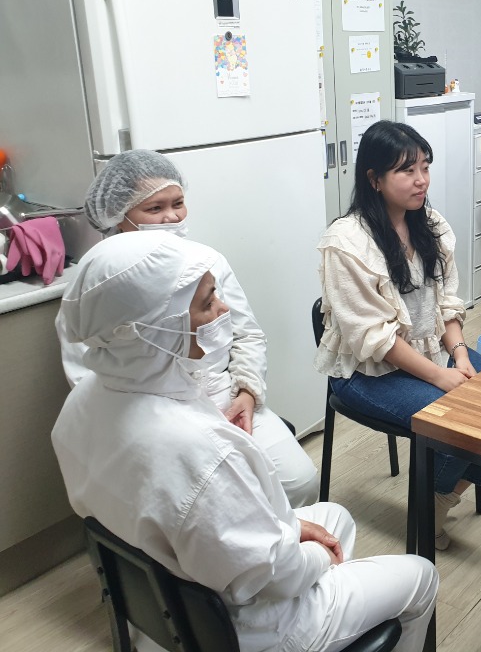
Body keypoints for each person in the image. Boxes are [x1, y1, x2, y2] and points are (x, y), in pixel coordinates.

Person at [52, 231, 438, 652]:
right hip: (249, 629)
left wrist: (293, 530)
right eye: (206, 303)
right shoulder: (199, 449)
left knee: (336, 517)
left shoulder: (79, 407)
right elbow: (275, 576)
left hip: (169, 599)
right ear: (152, 328)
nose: (222, 310)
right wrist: (317, 555)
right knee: (420, 576)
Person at [55, 149, 319, 508]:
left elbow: (247, 334)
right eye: (155, 208)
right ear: (119, 214)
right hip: (146, 413)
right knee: (202, 504)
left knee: (298, 483)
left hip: (224, 396)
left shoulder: (206, 261)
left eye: (177, 203)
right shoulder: (100, 280)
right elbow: (86, 375)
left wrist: (246, 392)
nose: (171, 216)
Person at [314, 120, 481, 550]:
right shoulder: (346, 242)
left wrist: (460, 355)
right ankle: (428, 509)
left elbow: (447, 302)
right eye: (406, 170)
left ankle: (438, 496)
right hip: (367, 372)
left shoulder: (429, 223)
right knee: (458, 419)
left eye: (425, 167)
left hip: (430, 352)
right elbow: (374, 339)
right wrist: (441, 376)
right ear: (374, 179)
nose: (421, 180)